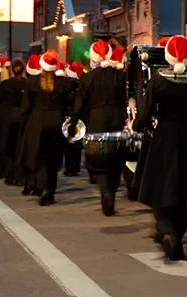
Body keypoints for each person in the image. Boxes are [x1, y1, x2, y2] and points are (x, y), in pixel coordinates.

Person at [134, 35, 187, 261]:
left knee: (161, 185)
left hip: (163, 137)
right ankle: (178, 233)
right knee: (184, 187)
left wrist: (137, 126)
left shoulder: (158, 81)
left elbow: (145, 111)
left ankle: (167, 230)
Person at [71, 41, 128, 215]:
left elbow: (79, 105)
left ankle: (106, 193)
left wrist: (73, 125)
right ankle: (113, 188)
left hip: (97, 118)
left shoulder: (88, 78)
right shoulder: (120, 75)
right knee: (117, 155)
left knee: (101, 158)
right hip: (117, 116)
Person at [19, 51, 70, 206]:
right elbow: (67, 104)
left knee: (38, 155)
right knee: (53, 157)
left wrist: (24, 123)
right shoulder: (63, 83)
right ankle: (50, 189)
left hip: (38, 120)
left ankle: (41, 187)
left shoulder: (32, 82)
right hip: (56, 120)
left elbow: (26, 106)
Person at [0, 58, 28, 187]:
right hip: (22, 116)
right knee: (20, 147)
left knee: (9, 147)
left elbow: (0, 100)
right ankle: (20, 175)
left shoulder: (5, 84)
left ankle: (10, 175)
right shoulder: (27, 84)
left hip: (8, 116)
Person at [62, 61, 86, 177]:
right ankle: (75, 167)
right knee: (77, 142)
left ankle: (68, 166)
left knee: (68, 143)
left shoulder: (65, 84)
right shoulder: (82, 84)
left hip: (67, 114)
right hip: (79, 115)